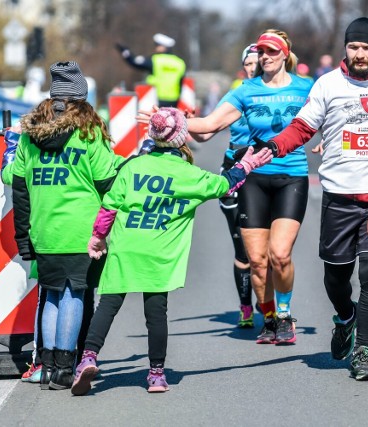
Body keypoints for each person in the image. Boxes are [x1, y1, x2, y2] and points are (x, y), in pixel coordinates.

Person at [238, 17, 368, 380]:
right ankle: (345, 317)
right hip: (339, 196)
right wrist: (275, 145)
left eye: (366, 48)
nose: (359, 54)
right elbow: (303, 127)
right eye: (353, 47)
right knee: (336, 278)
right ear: (346, 48)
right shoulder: (329, 84)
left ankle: (363, 351)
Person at [70, 108, 272, 396]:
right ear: (180, 139)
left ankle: (88, 358)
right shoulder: (187, 174)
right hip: (159, 254)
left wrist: (97, 238)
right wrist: (247, 165)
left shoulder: (132, 167)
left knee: (108, 306)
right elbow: (224, 185)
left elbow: (109, 206)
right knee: (156, 314)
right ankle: (155, 374)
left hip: (127, 249)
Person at [171, 29, 314, 345]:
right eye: (261, 51)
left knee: (280, 255)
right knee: (258, 262)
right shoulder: (246, 91)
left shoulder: (307, 87)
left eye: (271, 51)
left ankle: (286, 314)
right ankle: (269, 317)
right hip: (253, 180)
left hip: (291, 176)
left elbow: (331, 117)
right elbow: (209, 126)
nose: (264, 56)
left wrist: (330, 143)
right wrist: (171, 121)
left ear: (285, 55)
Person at [10, 61, 121, 390]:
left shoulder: (30, 137)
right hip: (80, 231)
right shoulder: (88, 133)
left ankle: (46, 367)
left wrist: (23, 236)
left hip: (44, 231)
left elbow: (20, 189)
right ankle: (63, 367)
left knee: (52, 295)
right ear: (81, 98)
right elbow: (107, 183)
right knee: (74, 295)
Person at [190, 43, 259, 328]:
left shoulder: (280, 94)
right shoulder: (237, 94)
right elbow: (207, 133)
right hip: (234, 172)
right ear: (245, 66)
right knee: (242, 248)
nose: (256, 66)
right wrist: (185, 123)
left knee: (267, 251)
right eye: (251, 63)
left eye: (261, 61)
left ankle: (276, 310)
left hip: (267, 173)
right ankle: (246, 306)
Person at [116, 33, 186, 108]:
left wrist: (125, 52)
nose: (156, 48)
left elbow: (135, 62)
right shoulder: (180, 63)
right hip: (173, 100)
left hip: (155, 98)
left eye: (157, 45)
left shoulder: (155, 60)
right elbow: (181, 83)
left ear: (163, 47)